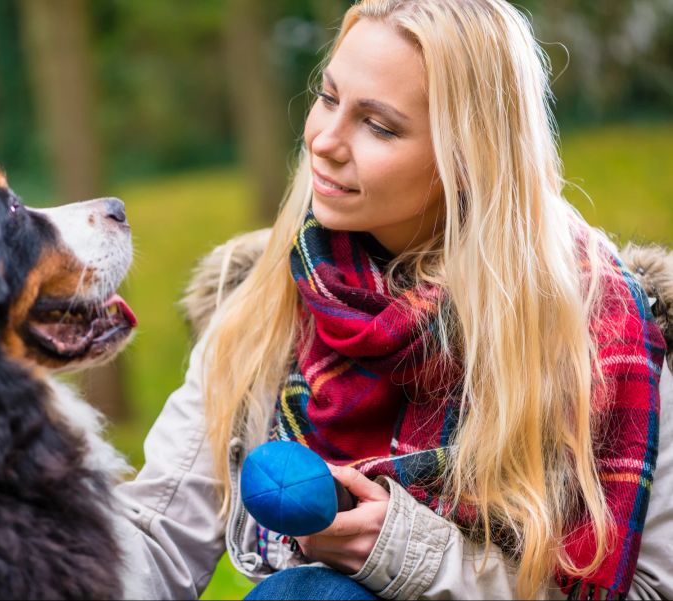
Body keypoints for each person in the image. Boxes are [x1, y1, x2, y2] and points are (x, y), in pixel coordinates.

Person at [112, 0, 673, 599]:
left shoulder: (602, 331)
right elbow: (159, 540)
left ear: (468, 160)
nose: (323, 141)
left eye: (378, 126)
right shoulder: (272, 299)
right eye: (328, 98)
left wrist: (407, 554)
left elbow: (649, 590)